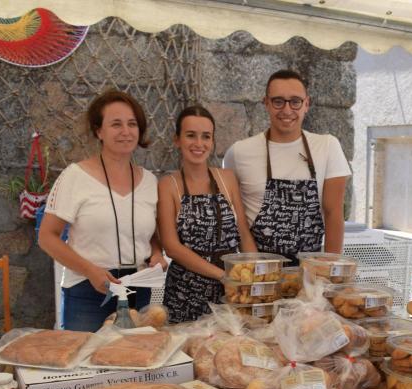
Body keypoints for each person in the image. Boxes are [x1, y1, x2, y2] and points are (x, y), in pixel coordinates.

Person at [39, 89, 166, 332]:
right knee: (88, 354)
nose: (126, 131)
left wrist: (157, 253)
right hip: (89, 289)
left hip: (139, 288)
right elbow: (46, 237)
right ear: (99, 131)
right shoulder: (75, 176)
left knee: (138, 354)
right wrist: (90, 270)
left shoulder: (150, 181)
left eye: (132, 124)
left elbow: (149, 235)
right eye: (116, 124)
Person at [223, 70, 351, 264]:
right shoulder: (239, 152)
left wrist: (329, 269)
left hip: (311, 271)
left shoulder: (327, 146)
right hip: (260, 270)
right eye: (278, 101)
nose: (287, 110)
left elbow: (334, 213)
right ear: (266, 103)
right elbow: (236, 218)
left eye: (295, 101)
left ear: (306, 104)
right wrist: (254, 266)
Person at [158, 105, 256, 323]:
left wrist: (255, 273)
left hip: (231, 291)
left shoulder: (227, 178)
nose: (199, 143)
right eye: (191, 135)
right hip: (185, 292)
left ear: (212, 141)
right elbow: (172, 247)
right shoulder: (168, 185)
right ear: (177, 140)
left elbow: (243, 233)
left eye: (206, 136)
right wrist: (222, 275)